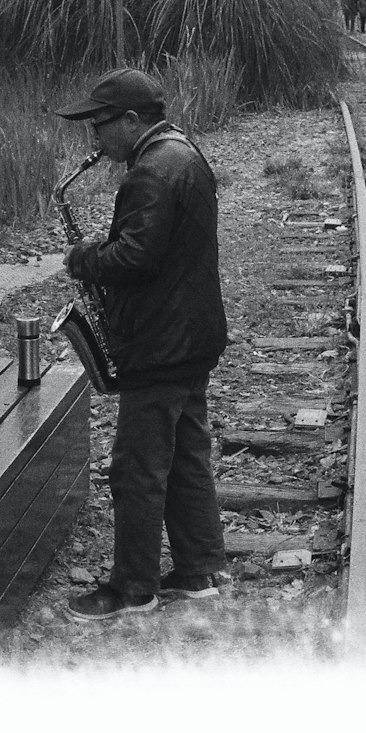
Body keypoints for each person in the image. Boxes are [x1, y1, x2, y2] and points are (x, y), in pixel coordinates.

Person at [55, 67, 229, 622]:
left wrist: (85, 259)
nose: (95, 139)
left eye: (101, 125)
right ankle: (197, 571)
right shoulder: (184, 153)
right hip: (192, 336)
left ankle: (134, 588)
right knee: (186, 458)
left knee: (137, 467)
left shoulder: (150, 172)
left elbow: (135, 258)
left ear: (132, 121)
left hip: (160, 345)